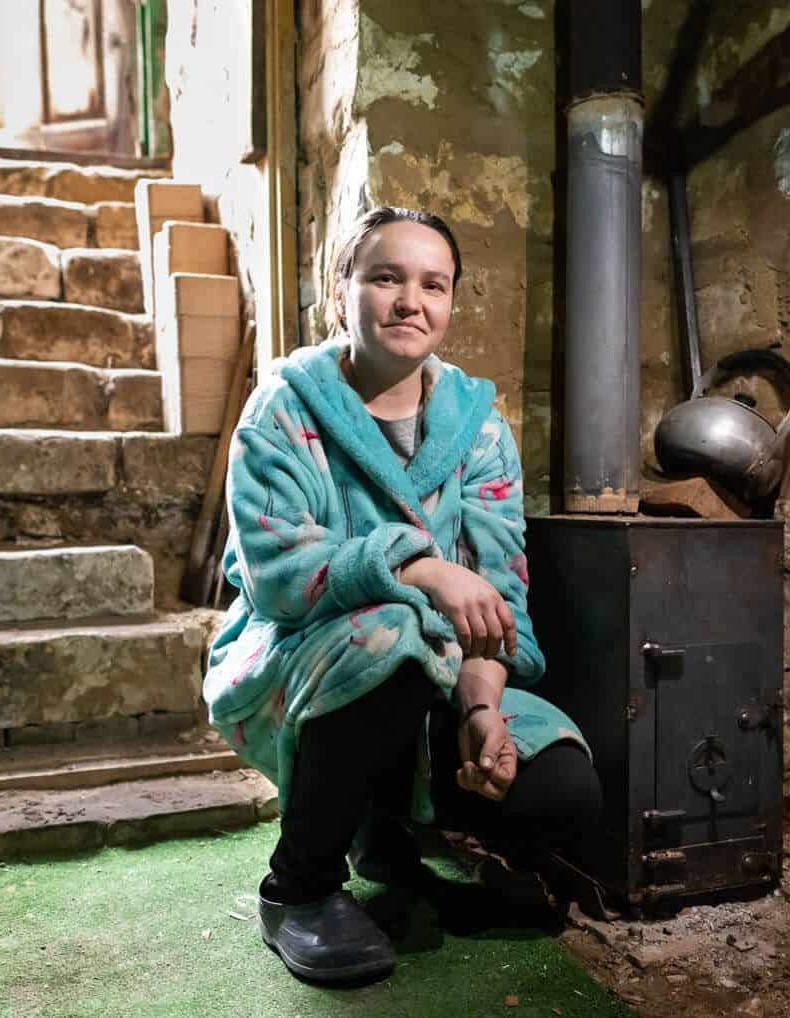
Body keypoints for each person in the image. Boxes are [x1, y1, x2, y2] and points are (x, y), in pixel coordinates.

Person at [202, 206, 600, 984]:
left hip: (442, 667)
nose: (409, 301)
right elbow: (281, 577)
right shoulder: (280, 408)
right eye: (385, 278)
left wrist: (483, 707)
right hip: (301, 655)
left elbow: (500, 598)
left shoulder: (476, 429)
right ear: (339, 290)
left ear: (450, 303)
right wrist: (419, 566)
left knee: (559, 787)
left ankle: (381, 829)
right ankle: (299, 888)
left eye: (433, 284)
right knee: (391, 633)